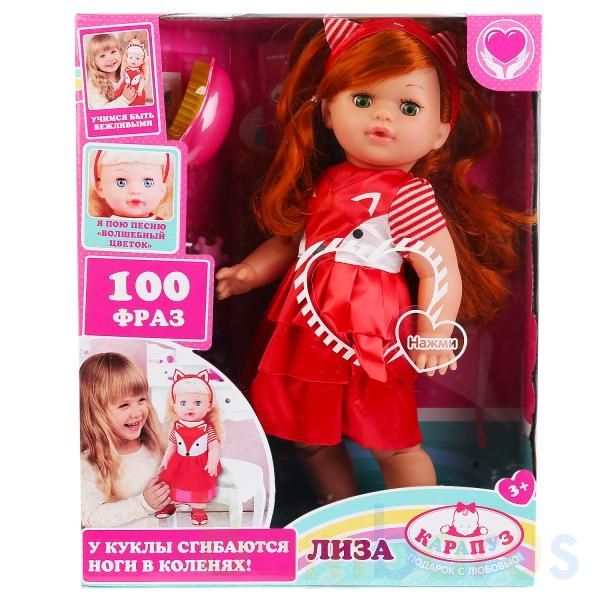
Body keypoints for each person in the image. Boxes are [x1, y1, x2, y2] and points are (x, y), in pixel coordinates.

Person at [216, 17, 532, 502]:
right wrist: (248, 273)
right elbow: (294, 241)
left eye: (409, 107)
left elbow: (437, 266)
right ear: (328, 110)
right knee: (310, 439)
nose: (383, 116)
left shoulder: (408, 194)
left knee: (394, 440)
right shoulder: (325, 181)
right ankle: (339, 515)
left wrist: (434, 331)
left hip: (373, 331)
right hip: (308, 328)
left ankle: (418, 516)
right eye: (362, 100)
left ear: (440, 131)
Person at [80, 352, 169, 528]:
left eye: (141, 400)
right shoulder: (87, 464)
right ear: (96, 412)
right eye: (124, 405)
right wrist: (143, 504)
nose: (137, 412)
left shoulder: (156, 448)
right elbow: (91, 518)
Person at [156, 370, 224, 526]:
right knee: (169, 481)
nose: (190, 408)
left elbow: (214, 447)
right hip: (179, 461)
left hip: (200, 463)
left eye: (197, 403)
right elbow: (172, 446)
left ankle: (198, 509)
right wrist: (165, 460)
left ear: (209, 406)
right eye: (183, 403)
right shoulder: (177, 427)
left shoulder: (207, 428)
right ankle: (170, 504)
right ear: (175, 406)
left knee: (198, 485)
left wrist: (212, 462)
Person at [88, 148, 173, 219]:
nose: (135, 191)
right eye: (121, 182)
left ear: (162, 190)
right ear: (100, 188)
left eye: (148, 183)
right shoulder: (96, 225)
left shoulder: (168, 227)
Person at [85, 33, 137, 108]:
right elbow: (101, 110)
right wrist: (124, 100)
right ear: (93, 61)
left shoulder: (125, 73)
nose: (110, 59)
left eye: (113, 52)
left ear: (120, 52)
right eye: (102, 56)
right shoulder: (94, 84)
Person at [114, 39, 148, 106]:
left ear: (142, 61)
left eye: (137, 58)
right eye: (130, 58)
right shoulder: (126, 69)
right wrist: (118, 84)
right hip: (125, 87)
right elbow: (123, 78)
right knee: (119, 96)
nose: (133, 60)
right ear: (127, 59)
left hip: (135, 88)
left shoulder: (139, 72)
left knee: (137, 101)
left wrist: (140, 89)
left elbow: (142, 80)